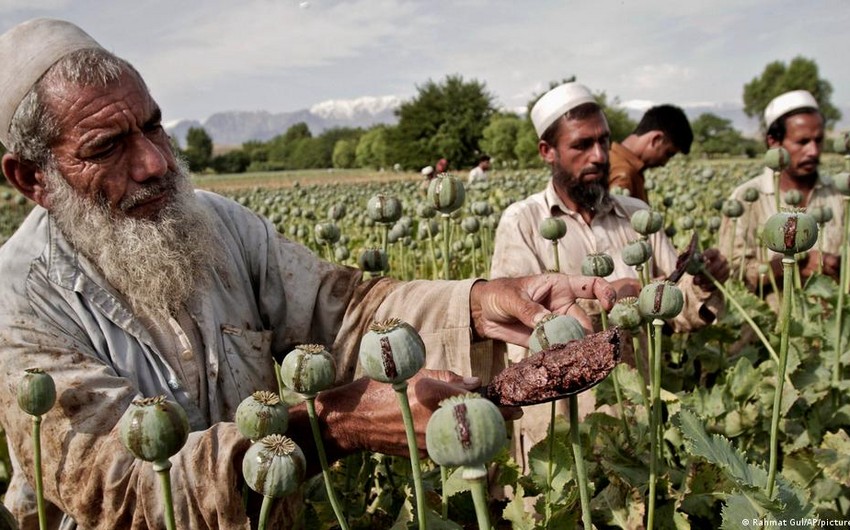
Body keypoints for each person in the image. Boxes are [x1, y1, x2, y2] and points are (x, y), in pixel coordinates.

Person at [0, 19, 617, 529]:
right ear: (32, 180)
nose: (155, 162)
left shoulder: (215, 223)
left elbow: (345, 311)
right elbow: (124, 491)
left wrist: (481, 302)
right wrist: (332, 428)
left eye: (154, 125)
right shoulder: (18, 303)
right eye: (107, 146)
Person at [489, 82, 728, 470]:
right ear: (547, 152)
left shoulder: (637, 215)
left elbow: (675, 308)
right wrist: (607, 298)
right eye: (582, 145)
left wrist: (700, 284)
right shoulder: (522, 222)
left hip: (634, 419)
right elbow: (517, 329)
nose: (599, 156)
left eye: (604, 141)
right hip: (561, 434)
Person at [719, 89, 842, 289]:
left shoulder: (840, 194)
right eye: (802, 142)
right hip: (769, 319)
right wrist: (795, 263)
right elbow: (733, 275)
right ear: (774, 142)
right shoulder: (746, 199)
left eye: (818, 140)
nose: (813, 151)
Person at [608, 104, 693, 203]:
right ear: (656, 139)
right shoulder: (624, 175)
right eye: (668, 154)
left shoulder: (609, 158)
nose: (664, 163)